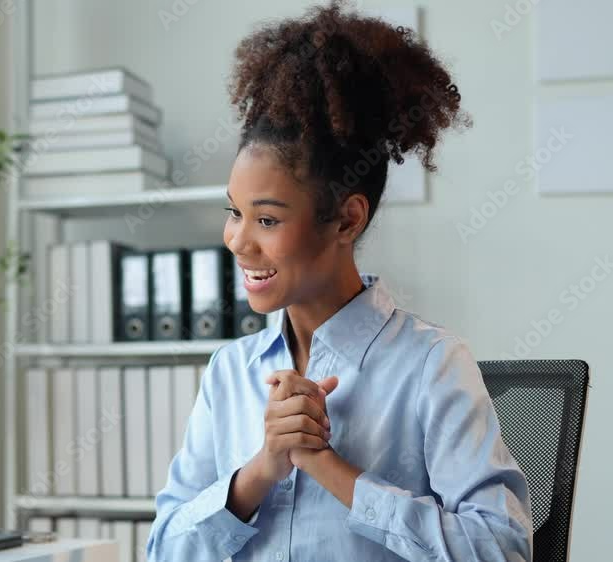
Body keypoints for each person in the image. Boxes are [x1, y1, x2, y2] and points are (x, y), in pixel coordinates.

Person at [146, 2, 533, 560]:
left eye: (267, 220)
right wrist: (261, 470)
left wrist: (328, 467)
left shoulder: (432, 365)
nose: (238, 241)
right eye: (234, 212)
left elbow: (501, 550)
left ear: (347, 220)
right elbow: (163, 550)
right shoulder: (229, 373)